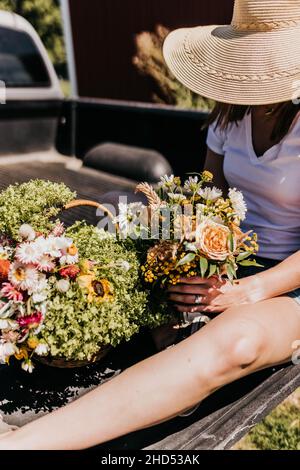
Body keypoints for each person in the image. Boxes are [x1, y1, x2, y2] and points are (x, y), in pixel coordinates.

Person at [0, 0, 300, 450]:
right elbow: (210, 198)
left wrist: (249, 291)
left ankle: (27, 444)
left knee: (239, 342)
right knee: (112, 207)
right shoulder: (231, 111)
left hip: (287, 277)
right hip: (223, 249)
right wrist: (183, 252)